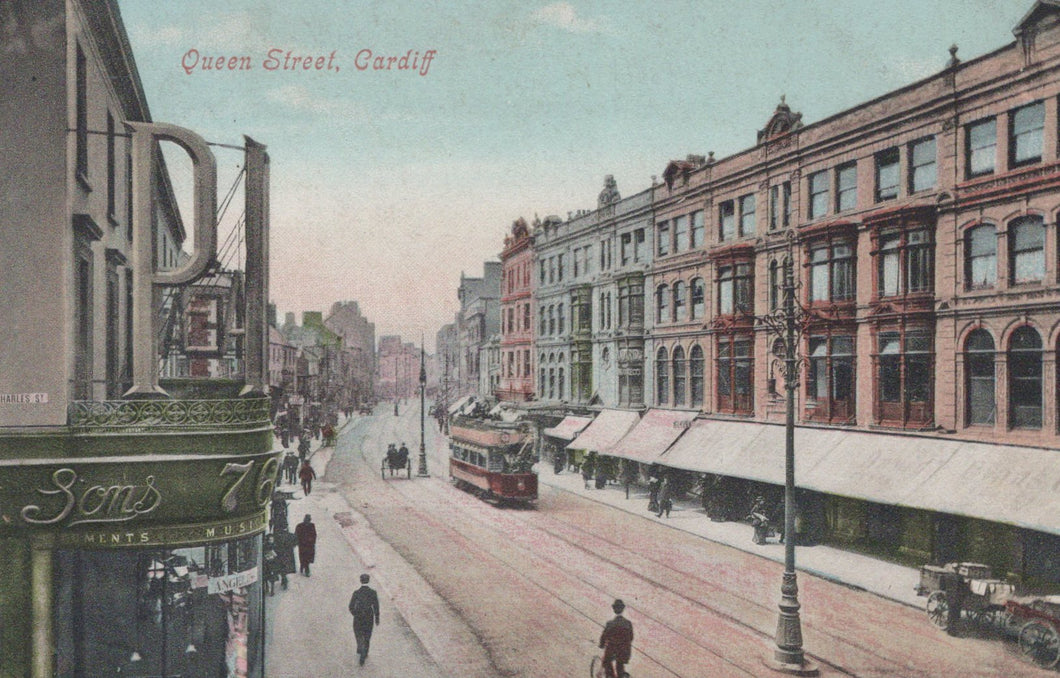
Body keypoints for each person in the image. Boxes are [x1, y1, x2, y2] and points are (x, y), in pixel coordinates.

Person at [348, 573, 381, 666]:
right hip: (369, 617)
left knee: (358, 632)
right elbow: (376, 606)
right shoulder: (373, 593)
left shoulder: (356, 593)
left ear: (360, 581)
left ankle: (360, 647)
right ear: (368, 580)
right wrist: (377, 618)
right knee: (367, 634)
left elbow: (350, 606)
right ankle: (365, 652)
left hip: (358, 617)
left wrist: (355, 614)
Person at [599, 599, 634, 678]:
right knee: (620, 666)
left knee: (607, 663)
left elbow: (604, 636)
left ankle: (610, 676)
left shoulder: (610, 624)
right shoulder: (628, 623)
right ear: (622, 609)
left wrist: (601, 645)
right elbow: (631, 637)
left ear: (614, 609)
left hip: (612, 650)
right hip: (624, 651)